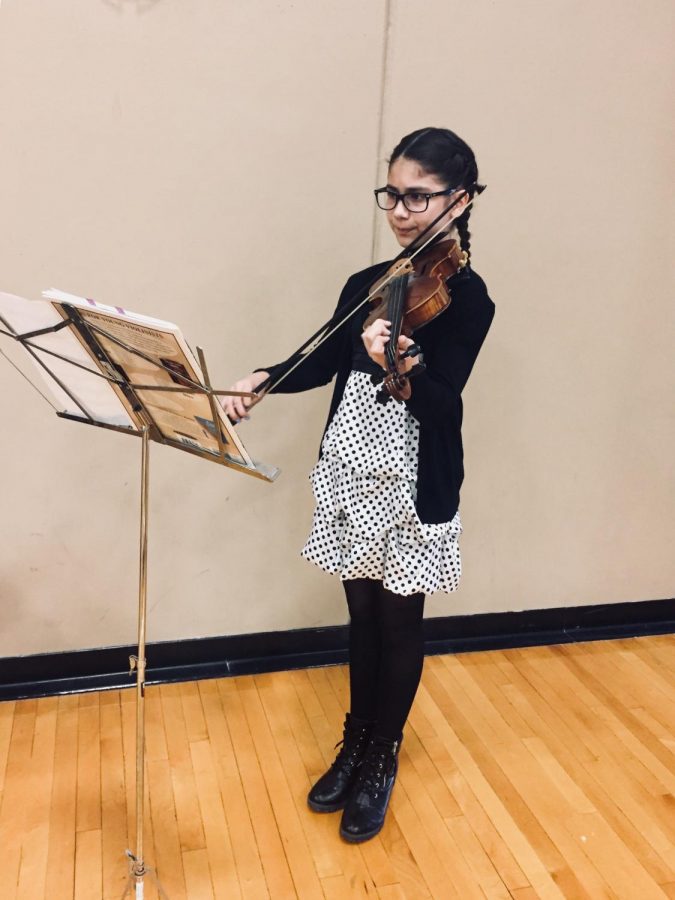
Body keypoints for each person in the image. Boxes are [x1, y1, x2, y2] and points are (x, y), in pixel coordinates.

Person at [221, 127, 495, 843]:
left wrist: (400, 366)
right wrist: (262, 377)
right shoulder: (366, 285)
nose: (401, 211)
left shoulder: (465, 300)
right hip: (350, 467)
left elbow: (443, 406)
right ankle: (354, 740)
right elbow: (321, 360)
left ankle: (381, 757)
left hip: (410, 478)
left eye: (417, 196)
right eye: (392, 194)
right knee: (361, 616)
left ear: (458, 200)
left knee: (400, 620)